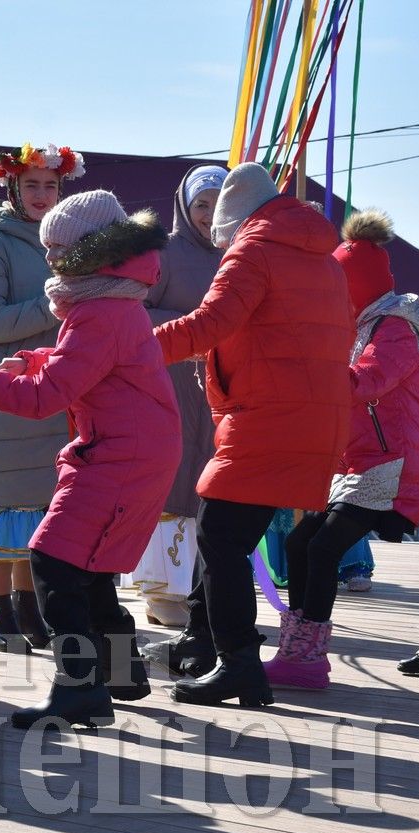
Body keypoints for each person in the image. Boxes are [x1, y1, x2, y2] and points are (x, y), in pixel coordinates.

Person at [0, 190, 178, 728]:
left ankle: (79, 687)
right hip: (133, 447)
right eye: (46, 247)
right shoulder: (111, 301)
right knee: (89, 563)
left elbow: (41, 399)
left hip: (118, 453)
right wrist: (36, 357)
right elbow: (85, 362)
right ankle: (121, 671)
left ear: (91, 251)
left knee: (53, 559)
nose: (50, 258)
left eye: (58, 249)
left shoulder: (97, 310)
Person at [150, 162, 351, 707]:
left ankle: (238, 662)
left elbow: (208, 325)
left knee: (220, 538)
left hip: (264, 416)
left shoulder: (253, 250)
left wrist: (133, 346)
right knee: (230, 536)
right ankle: (216, 646)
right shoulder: (326, 260)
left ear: (233, 222)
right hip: (317, 419)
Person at [268, 210, 419, 690]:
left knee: (321, 547)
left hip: (391, 460)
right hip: (359, 459)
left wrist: (308, 372)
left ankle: (306, 656)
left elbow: (369, 380)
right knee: (301, 543)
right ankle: (299, 648)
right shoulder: (360, 324)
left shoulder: (396, 326)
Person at [0, 142, 85, 652]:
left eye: (51, 185)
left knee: (40, 507)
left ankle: (28, 609)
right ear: (12, 186)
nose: (42, 195)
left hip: (55, 390)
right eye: (32, 185)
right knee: (5, 507)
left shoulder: (65, 242)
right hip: (5, 391)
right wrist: (53, 303)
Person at [126, 165, 225, 628]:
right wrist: (193, 328)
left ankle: (200, 589)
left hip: (221, 384)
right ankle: (161, 591)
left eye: (218, 203)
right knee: (172, 476)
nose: (209, 214)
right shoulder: (163, 252)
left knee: (211, 479)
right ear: (185, 207)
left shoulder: (237, 255)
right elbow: (132, 312)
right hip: (170, 379)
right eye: (201, 204)